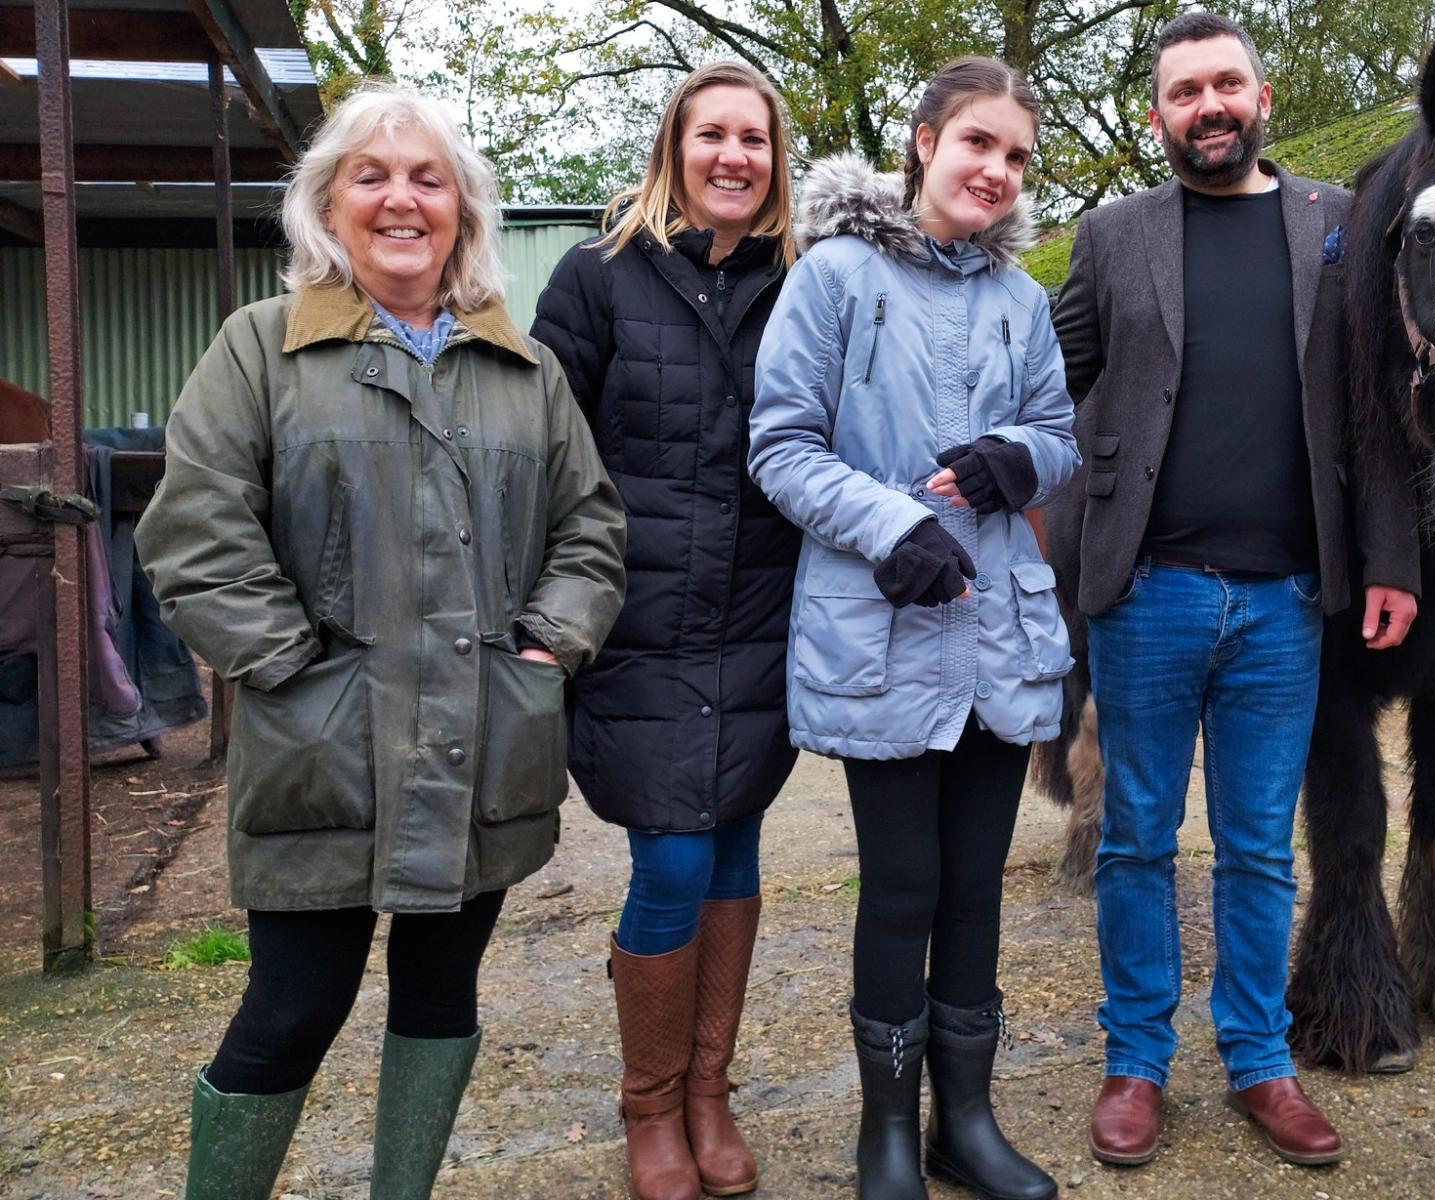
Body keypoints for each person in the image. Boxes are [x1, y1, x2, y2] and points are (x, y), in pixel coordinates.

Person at [136, 83, 626, 1200]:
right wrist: (292, 674)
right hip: (326, 754)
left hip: (483, 748)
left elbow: (589, 528)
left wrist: (548, 645)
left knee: (441, 997)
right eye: (372, 175)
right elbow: (196, 531)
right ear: (327, 203)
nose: (401, 199)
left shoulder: (524, 371)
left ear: (461, 211)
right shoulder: (259, 350)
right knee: (294, 1007)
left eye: (427, 178)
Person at [1051, 9, 1421, 1172]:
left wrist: (1392, 560)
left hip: (1283, 603)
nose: (1205, 106)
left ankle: (1258, 1060)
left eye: (1224, 84)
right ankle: (1135, 1063)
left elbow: (1374, 407)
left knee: (1260, 849)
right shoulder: (1111, 236)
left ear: (1259, 98)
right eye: (1180, 92)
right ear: (1156, 116)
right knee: (1135, 842)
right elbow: (1038, 374)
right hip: (1146, 591)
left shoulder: (1335, 224)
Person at [749, 56, 1078, 1200]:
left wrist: (1019, 458)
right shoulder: (833, 276)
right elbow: (780, 445)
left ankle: (966, 1123)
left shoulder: (1022, 299)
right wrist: (889, 524)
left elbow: (1059, 432)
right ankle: (885, 1132)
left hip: (996, 636)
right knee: (900, 888)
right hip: (886, 636)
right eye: (977, 142)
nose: (994, 170)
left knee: (975, 887)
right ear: (925, 140)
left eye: (1015, 156)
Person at [530, 61, 797, 1200]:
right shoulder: (592, 280)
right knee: (674, 859)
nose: (733, 157)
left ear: (776, 160)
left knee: (733, 847)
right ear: (672, 149)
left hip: (758, 620)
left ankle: (708, 1091)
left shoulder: (803, 281)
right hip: (636, 624)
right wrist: (545, 618)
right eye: (711, 136)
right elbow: (541, 452)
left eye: (754, 139)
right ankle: (649, 1104)